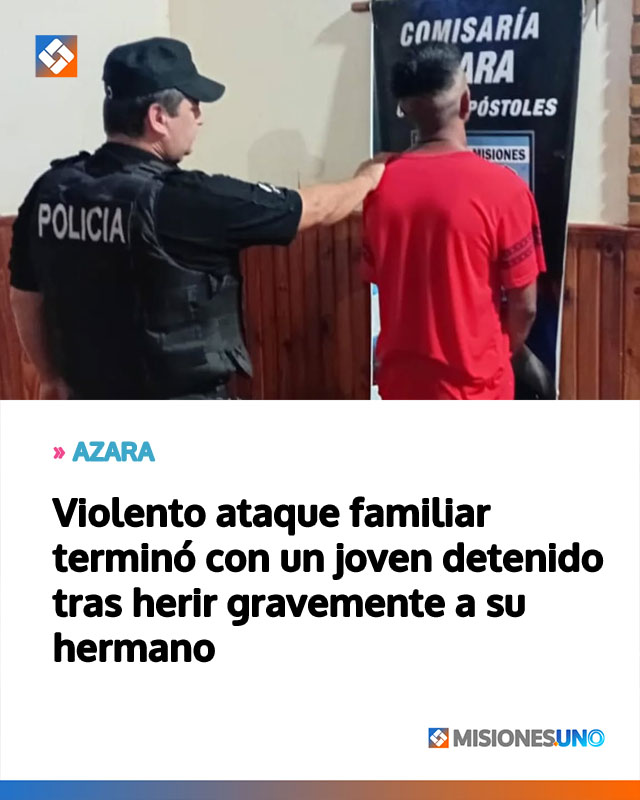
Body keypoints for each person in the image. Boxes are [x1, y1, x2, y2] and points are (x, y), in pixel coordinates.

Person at [9, 37, 384, 400]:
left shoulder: (51, 190)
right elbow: (311, 208)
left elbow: (24, 292)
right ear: (159, 117)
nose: (200, 119)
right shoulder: (182, 200)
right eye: (194, 106)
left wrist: (50, 378)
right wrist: (367, 180)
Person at [362, 42, 546, 400]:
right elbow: (525, 307)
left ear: (404, 110)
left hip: (401, 387)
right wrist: (499, 352)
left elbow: (378, 282)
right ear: (466, 102)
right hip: (477, 391)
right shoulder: (505, 189)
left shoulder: (378, 186)